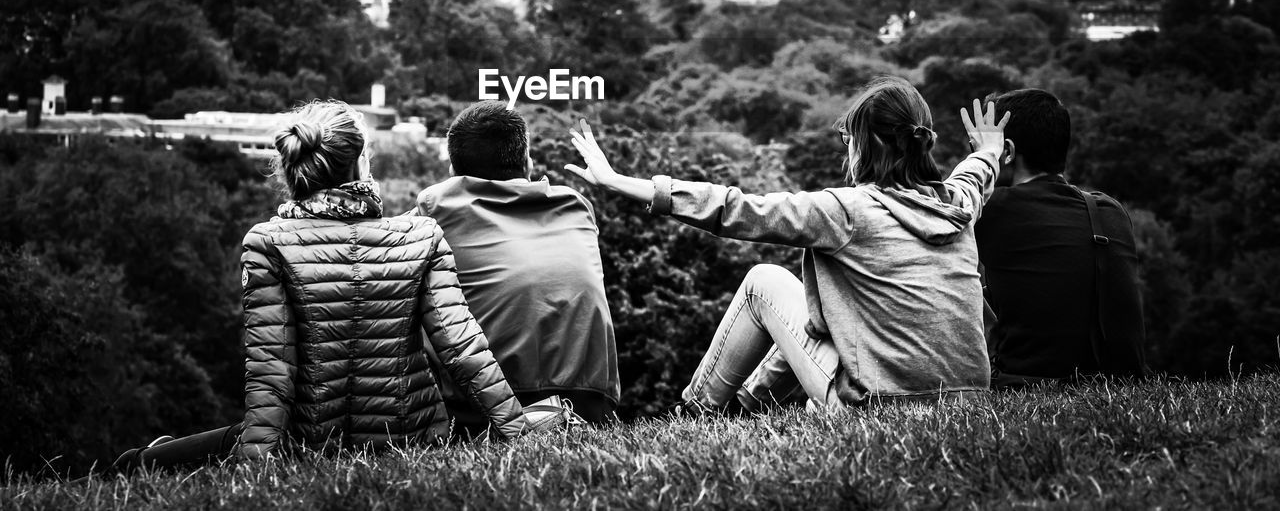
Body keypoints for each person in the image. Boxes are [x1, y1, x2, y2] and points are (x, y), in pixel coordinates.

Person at [104, 100, 535, 475]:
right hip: (410, 438)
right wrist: (518, 429)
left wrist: (255, 465)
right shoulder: (421, 237)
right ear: (362, 161)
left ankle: (136, 463)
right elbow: (461, 347)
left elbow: (271, 371)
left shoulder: (268, 244)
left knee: (144, 460)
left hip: (309, 444)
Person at [566, 76, 1009, 412]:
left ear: (869, 143)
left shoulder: (847, 211)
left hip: (884, 403)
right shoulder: (957, 205)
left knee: (764, 283)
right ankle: (746, 404)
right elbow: (975, 175)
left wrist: (618, 181)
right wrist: (989, 150)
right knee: (817, 312)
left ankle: (697, 412)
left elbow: (733, 208)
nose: (846, 150)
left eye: (848, 139)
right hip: (968, 398)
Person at [413, 101, 620, 431]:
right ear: (527, 161)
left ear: (453, 173)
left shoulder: (435, 206)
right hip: (590, 404)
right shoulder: (575, 205)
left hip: (484, 409)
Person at [977, 88, 1147, 385]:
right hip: (1116, 382)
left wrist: (982, 162)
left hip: (1026, 384)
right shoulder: (1110, 210)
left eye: (981, 148)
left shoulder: (992, 209)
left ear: (1007, 152)